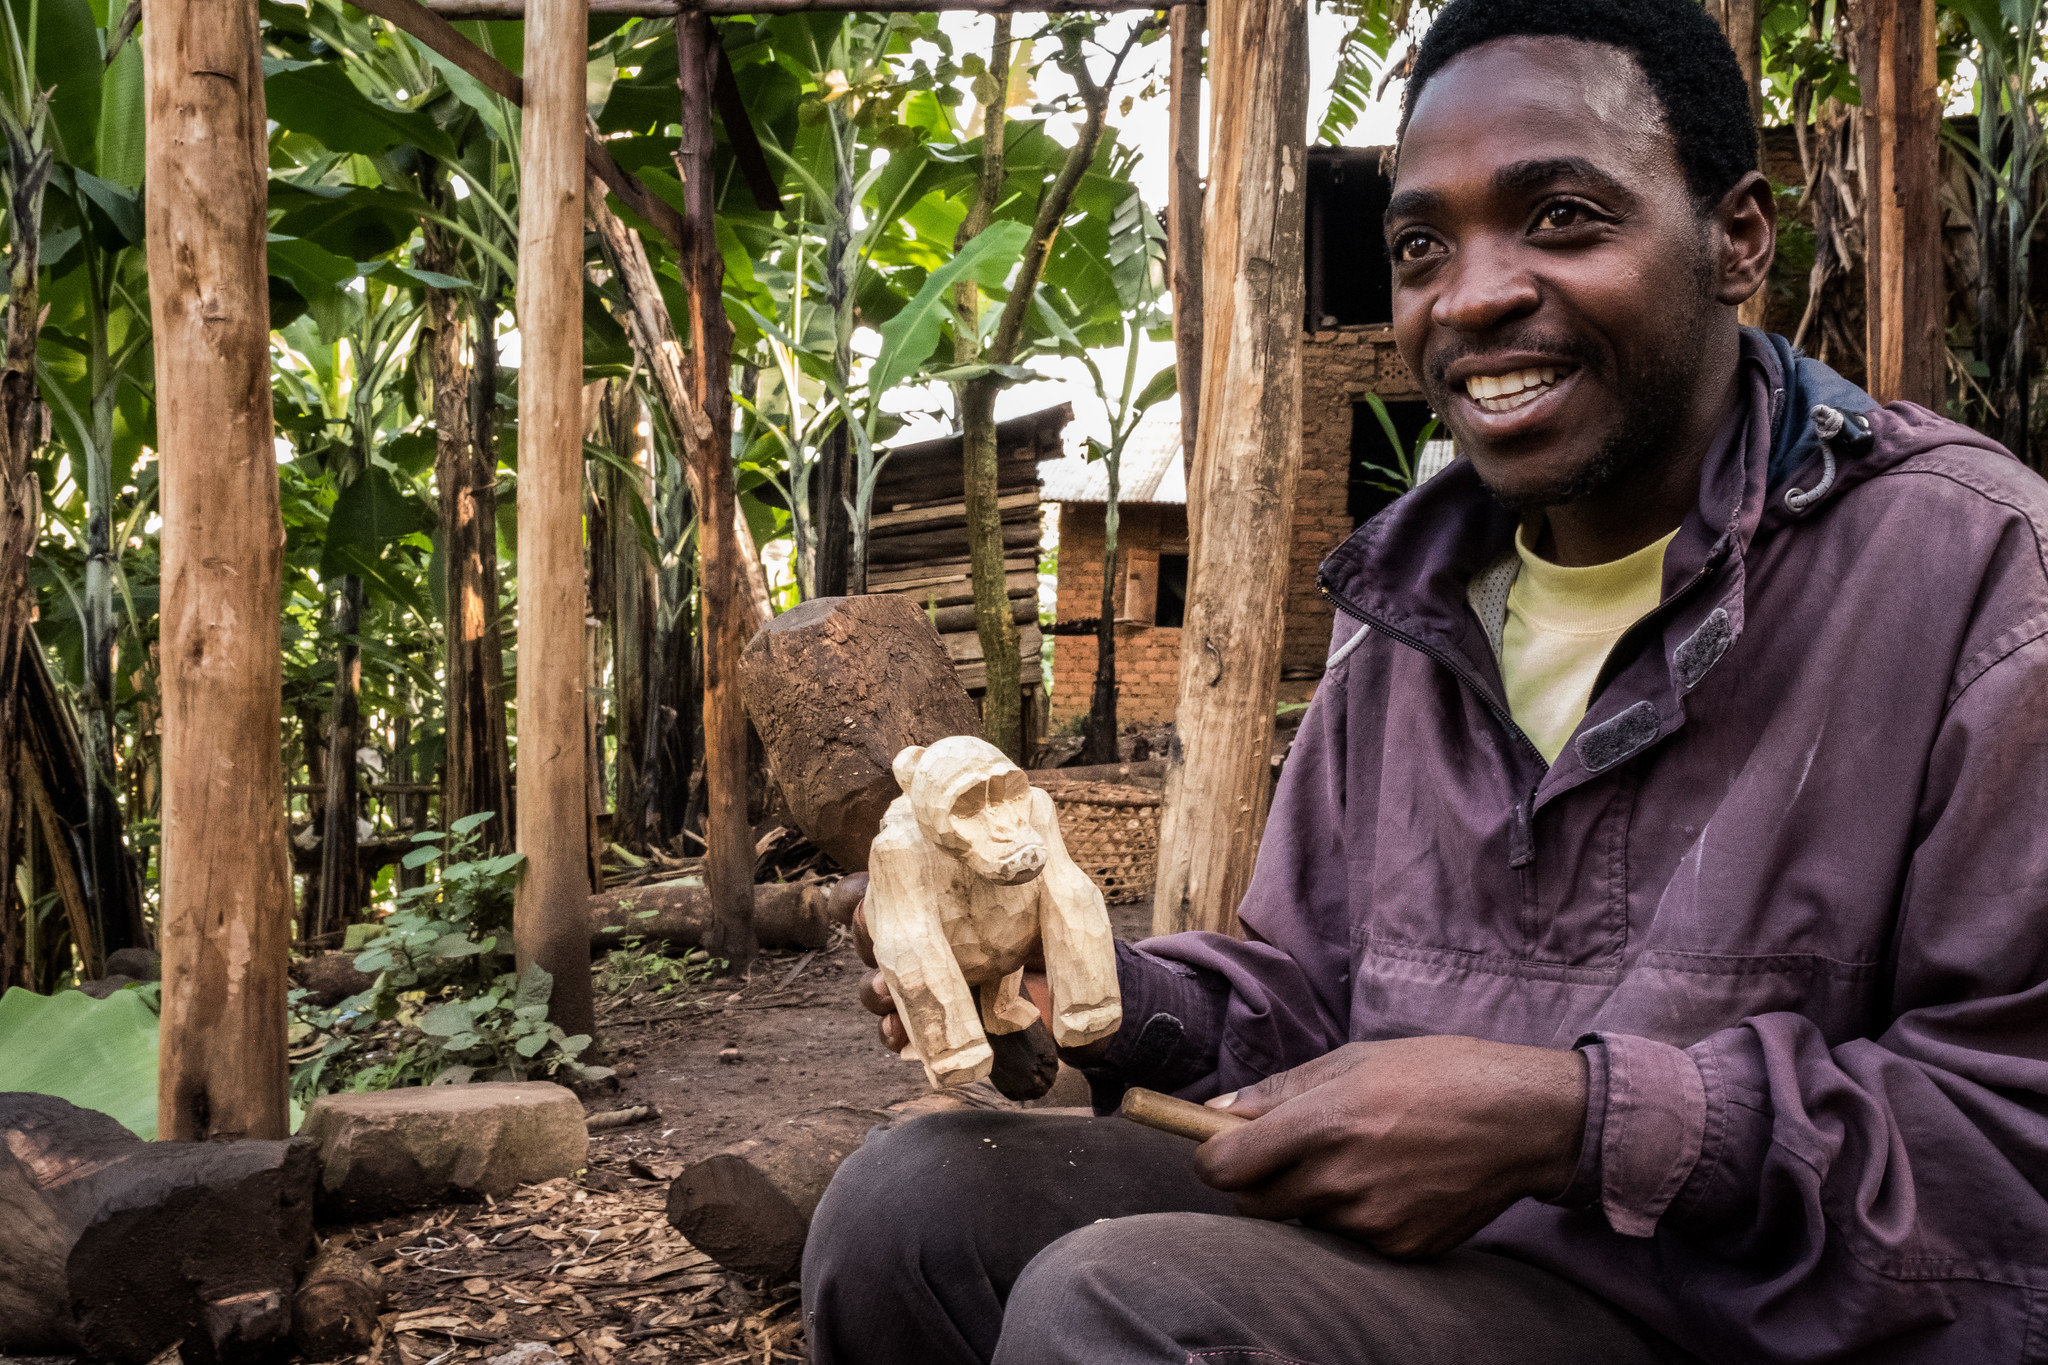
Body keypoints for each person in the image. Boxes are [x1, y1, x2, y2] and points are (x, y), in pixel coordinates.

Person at [802, 0, 2048, 1359]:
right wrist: (1090, 988)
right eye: (1418, 245)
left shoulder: (1978, 575)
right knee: (908, 1204)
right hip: (1434, 1280)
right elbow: (1309, 995)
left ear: (1737, 237)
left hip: (1740, 1314)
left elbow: (2008, 1138)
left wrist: (1564, 1121)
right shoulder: (1407, 605)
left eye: (1564, 216)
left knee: (1114, 1307)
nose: (1470, 295)